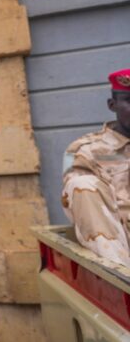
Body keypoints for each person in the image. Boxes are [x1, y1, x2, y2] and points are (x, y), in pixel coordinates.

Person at [62, 68, 130, 266]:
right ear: (112, 105)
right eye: (129, 101)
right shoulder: (82, 150)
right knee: (81, 185)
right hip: (119, 246)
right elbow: (80, 204)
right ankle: (120, 276)